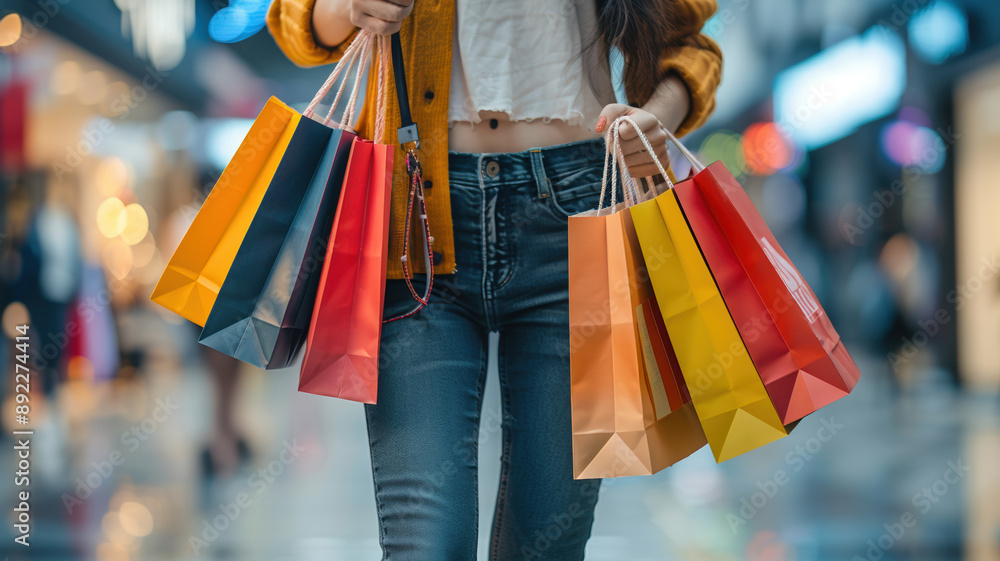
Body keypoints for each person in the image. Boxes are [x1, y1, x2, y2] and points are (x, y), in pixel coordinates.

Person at [268, 0, 721, 557]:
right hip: (418, 216)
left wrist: (660, 115)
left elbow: (691, 43)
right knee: (426, 544)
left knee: (547, 543)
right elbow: (294, 18)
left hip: (579, 209)